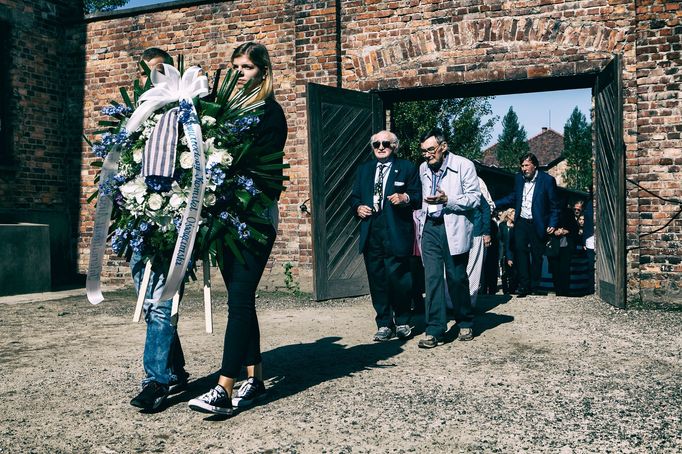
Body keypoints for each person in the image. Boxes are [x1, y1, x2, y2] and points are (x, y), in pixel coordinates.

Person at [188, 42, 288, 416]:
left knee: (240, 300)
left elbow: (266, 175)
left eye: (246, 67)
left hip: (254, 219)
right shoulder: (232, 109)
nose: (240, 73)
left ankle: (224, 389)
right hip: (226, 218)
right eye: (235, 67)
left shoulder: (270, 113)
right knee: (241, 300)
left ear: (263, 70)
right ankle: (256, 379)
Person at [129, 47, 190, 412]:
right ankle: (176, 370)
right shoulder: (133, 119)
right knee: (154, 306)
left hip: (172, 229)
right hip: (138, 226)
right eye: (145, 73)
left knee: (160, 305)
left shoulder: (184, 115)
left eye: (157, 71)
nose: (150, 79)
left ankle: (155, 380)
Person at [349, 130, 421, 341]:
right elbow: (354, 197)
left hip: (396, 230)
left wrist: (404, 197)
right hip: (372, 229)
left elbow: (417, 196)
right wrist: (358, 208)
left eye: (386, 144)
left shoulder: (407, 167)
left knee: (399, 278)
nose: (381, 148)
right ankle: (383, 323)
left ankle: (403, 321)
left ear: (394, 147)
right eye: (376, 144)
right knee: (377, 278)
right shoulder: (364, 170)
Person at [416, 128, 480, 348]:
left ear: (444, 147)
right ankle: (434, 329)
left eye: (431, 150)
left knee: (455, 277)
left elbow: (474, 198)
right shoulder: (423, 168)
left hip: (453, 226)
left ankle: (465, 321)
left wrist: (448, 200)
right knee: (432, 278)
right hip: (431, 228)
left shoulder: (464, 165)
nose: (427, 155)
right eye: (423, 151)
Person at [494, 153, 560, 298]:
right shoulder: (518, 179)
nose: (524, 169)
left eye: (526, 165)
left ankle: (534, 286)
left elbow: (555, 205)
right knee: (520, 251)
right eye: (522, 166)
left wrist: (553, 223)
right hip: (522, 221)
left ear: (534, 165)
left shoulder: (547, 180)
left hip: (538, 222)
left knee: (537, 255)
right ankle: (523, 286)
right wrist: (495, 203)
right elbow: (513, 197)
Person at [498, 208, 518, 295]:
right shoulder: (502, 225)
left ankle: (513, 289)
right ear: (509, 216)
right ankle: (506, 290)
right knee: (505, 272)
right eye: (513, 215)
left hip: (514, 251)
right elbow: (501, 239)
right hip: (504, 252)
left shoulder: (517, 225)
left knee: (514, 272)